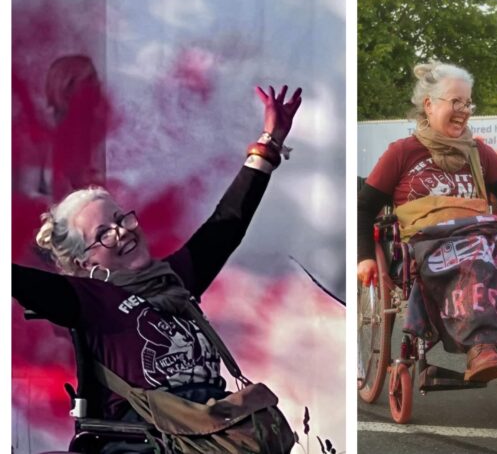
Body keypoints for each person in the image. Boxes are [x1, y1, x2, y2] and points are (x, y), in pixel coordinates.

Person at [12, 84, 302, 449]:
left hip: (214, 433)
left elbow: (228, 222)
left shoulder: (175, 277)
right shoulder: (89, 299)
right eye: (104, 233)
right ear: (84, 261)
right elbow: (16, 280)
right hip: (145, 442)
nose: (121, 232)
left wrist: (269, 141)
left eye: (121, 219)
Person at [357, 62, 497, 382]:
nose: (464, 110)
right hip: (432, 239)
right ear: (429, 104)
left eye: (467, 103)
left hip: (482, 230)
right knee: (473, 250)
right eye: (455, 102)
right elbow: (364, 207)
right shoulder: (402, 152)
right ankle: (480, 346)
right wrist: (365, 256)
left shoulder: (478, 152)